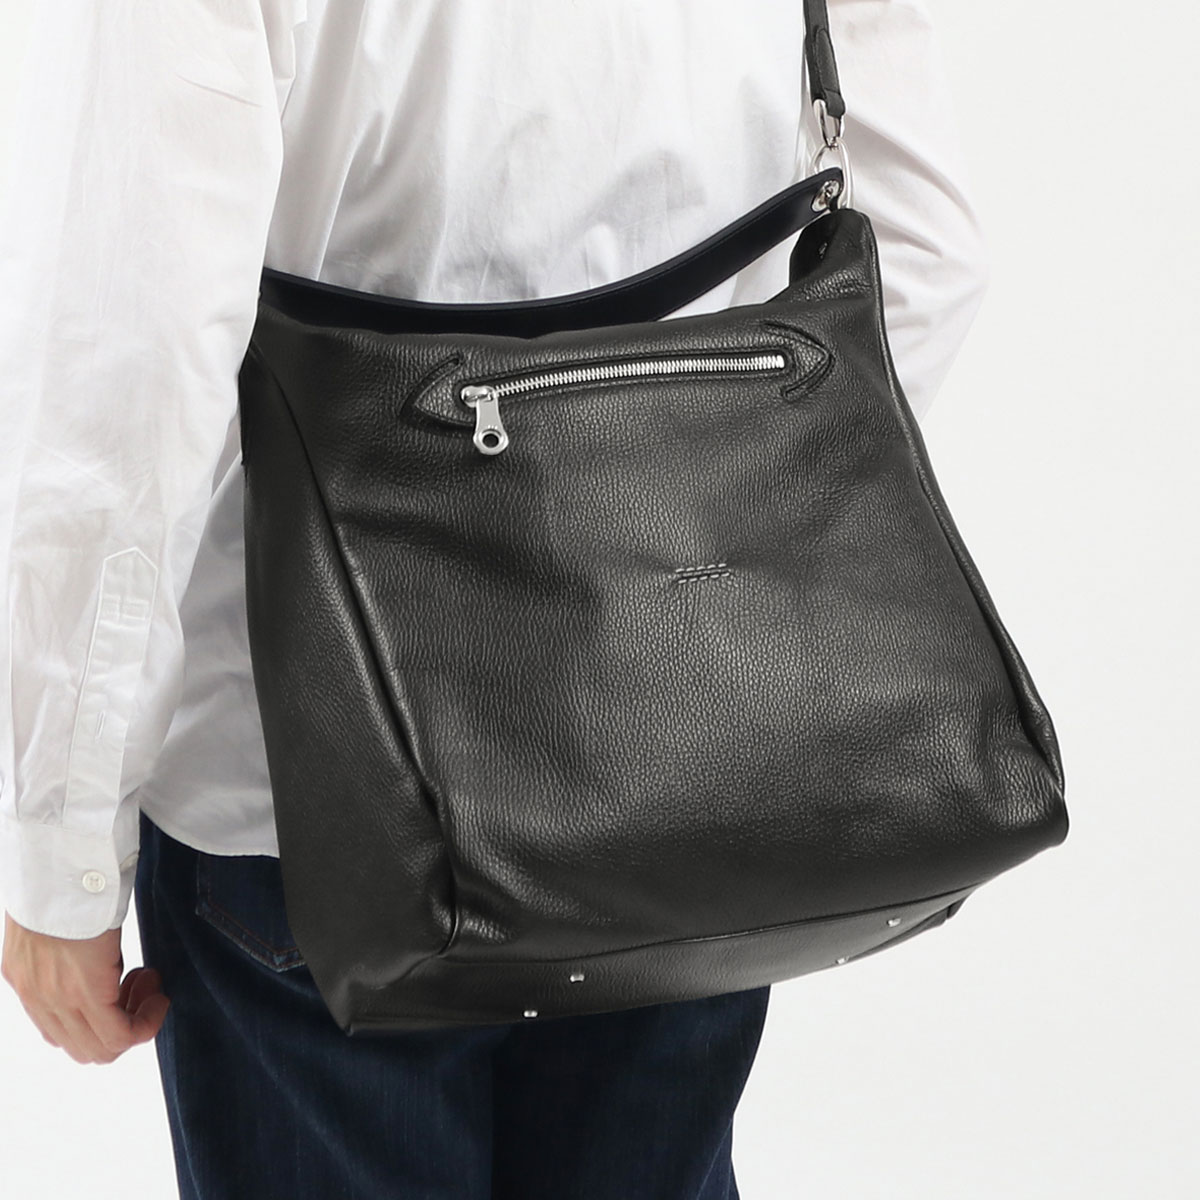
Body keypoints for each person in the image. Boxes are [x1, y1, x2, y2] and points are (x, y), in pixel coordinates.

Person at [0, 2, 988, 1196]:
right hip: (693, 760)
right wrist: (717, 554)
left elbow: (131, 362)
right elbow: (926, 255)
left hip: (311, 785)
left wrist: (66, 850)